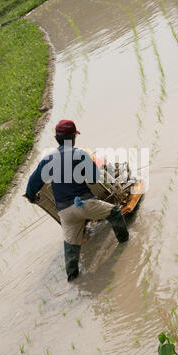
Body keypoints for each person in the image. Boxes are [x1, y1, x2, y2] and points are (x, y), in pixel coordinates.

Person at [25, 119, 129, 282]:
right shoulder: (80, 154)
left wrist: (31, 197)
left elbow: (32, 185)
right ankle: (125, 244)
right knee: (114, 212)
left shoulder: (47, 160)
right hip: (84, 205)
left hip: (64, 213)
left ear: (56, 139)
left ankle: (73, 278)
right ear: (73, 137)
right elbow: (94, 178)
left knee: (71, 245)